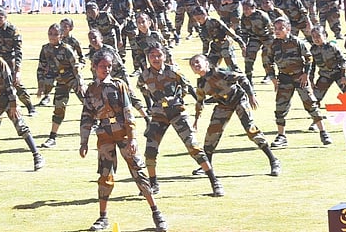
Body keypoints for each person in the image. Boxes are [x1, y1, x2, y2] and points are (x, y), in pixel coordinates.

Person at [79, 48, 168, 232]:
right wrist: (84, 141)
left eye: (109, 66)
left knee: (138, 172)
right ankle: (102, 218)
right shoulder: (90, 89)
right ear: (94, 67)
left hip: (124, 135)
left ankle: (156, 213)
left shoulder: (119, 85)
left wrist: (133, 138)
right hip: (104, 137)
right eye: (103, 66)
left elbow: (128, 112)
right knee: (105, 176)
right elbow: (86, 116)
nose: (107, 69)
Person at [137, 46, 223, 196]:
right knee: (150, 150)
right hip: (158, 115)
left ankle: (214, 181)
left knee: (193, 147)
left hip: (177, 112)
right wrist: (152, 101)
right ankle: (153, 183)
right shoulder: (144, 75)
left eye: (158, 55)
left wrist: (177, 98)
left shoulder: (173, 71)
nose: (155, 59)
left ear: (164, 56)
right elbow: (141, 88)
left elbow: (187, 86)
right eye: (152, 56)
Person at [190, 54, 281, 177]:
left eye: (197, 62)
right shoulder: (201, 83)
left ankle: (273, 160)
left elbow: (241, 78)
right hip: (223, 105)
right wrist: (196, 119)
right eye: (192, 64)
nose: (195, 65)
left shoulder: (220, 72)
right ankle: (207, 166)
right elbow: (200, 101)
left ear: (206, 63)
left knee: (251, 130)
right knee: (212, 134)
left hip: (238, 99)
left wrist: (251, 95)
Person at [0, 40, 45, 171]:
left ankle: (37, 156)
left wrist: (13, 105)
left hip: (8, 99)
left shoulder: (0, 63)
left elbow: (9, 85)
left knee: (21, 127)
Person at [268, 17, 332, 147]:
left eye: (281, 28)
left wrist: (305, 74)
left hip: (299, 78)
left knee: (311, 104)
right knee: (280, 107)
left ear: (288, 29)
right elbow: (267, 62)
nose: (277, 31)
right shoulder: (273, 44)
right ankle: (281, 136)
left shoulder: (297, 42)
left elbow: (308, 58)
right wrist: (273, 78)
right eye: (276, 29)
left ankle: (323, 132)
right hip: (284, 78)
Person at [0, 7, 37, 115]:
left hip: (9, 61)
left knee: (16, 84)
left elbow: (18, 51)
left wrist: (18, 70)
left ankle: (30, 106)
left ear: (5, 18)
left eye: (0, 18)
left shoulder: (12, 30)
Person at [37, 23, 83, 148]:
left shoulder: (67, 49)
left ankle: (102, 123)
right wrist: (41, 85)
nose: (52, 37)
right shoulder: (45, 49)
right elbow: (41, 67)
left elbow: (76, 65)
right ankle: (52, 137)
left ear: (61, 36)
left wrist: (80, 82)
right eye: (50, 34)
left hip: (72, 79)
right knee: (59, 108)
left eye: (55, 34)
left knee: (88, 102)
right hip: (61, 82)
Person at [192, 6, 246, 72]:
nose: (198, 20)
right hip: (215, 46)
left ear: (204, 15)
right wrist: (204, 55)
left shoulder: (214, 22)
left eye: (199, 18)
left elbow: (229, 32)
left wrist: (242, 45)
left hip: (225, 45)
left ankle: (243, 81)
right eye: (196, 19)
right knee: (209, 67)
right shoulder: (200, 28)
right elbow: (205, 42)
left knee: (232, 68)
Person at [309, 27, 346, 102]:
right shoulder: (313, 50)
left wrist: (343, 76)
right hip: (325, 75)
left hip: (338, 73)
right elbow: (312, 67)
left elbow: (343, 61)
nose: (316, 39)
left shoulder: (332, 46)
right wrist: (311, 81)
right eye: (313, 37)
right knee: (314, 98)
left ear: (324, 35)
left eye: (318, 36)